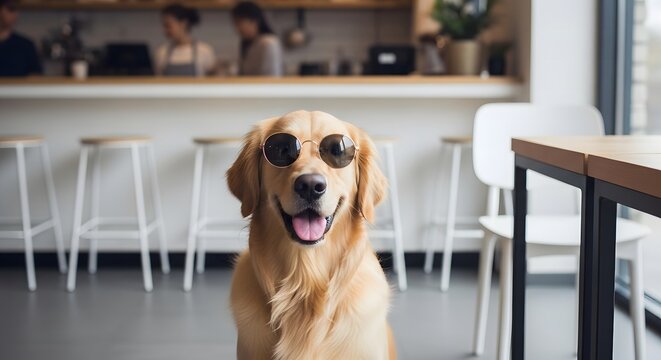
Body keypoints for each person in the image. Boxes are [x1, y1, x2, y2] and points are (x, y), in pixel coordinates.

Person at [155, 3, 216, 77]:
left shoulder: (204, 50)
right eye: (164, 25)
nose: (164, 30)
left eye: (168, 25)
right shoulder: (162, 52)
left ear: (183, 23)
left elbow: (211, 81)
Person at [231, 1, 283, 77]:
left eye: (239, 22)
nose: (237, 28)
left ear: (254, 21)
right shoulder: (248, 43)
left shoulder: (269, 43)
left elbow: (271, 77)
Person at [0, 0, 42, 77]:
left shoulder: (26, 45)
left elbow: (36, 76)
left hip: (19, 89)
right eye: (11, 9)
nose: (16, 14)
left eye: (17, 10)